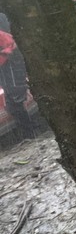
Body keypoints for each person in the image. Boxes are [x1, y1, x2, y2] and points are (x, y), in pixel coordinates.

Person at [0, 12, 38, 140]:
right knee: (11, 102)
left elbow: (10, 44)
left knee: (15, 99)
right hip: (6, 66)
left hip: (11, 63)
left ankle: (31, 133)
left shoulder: (2, 24)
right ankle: (29, 133)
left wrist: (5, 53)